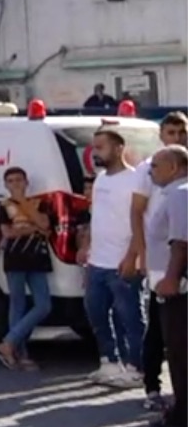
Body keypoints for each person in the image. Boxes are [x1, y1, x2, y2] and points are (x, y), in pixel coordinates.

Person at [130, 112, 188, 410]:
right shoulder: (158, 182)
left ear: (174, 168)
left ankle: (180, 410)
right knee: (162, 335)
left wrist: (170, 277)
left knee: (176, 344)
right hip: (161, 273)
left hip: (172, 279)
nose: (151, 171)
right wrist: (138, 254)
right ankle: (156, 389)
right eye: (171, 131)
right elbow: (137, 214)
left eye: (182, 131)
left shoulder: (179, 192)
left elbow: (181, 242)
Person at [81, 128, 145, 387]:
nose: (96, 152)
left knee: (130, 318)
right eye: (94, 147)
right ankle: (108, 362)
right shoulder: (100, 179)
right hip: (97, 261)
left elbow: (140, 221)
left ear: (119, 148)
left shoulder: (135, 180)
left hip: (123, 262)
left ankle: (137, 369)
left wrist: (132, 256)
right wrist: (86, 247)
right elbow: (95, 216)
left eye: (101, 147)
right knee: (96, 314)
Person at [0, 166, 55, 371]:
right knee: (17, 304)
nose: (15, 184)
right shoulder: (3, 206)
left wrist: (25, 206)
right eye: (11, 181)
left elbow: (45, 225)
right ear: (5, 185)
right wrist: (33, 229)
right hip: (15, 258)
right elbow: (7, 233)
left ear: (26, 183)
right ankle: (19, 353)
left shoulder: (38, 203)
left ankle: (8, 342)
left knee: (43, 305)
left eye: (19, 180)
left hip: (37, 257)